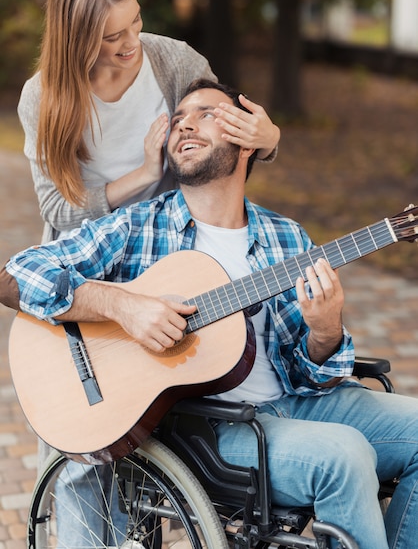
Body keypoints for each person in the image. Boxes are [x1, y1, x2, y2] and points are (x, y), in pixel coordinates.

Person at [3, 79, 418, 549]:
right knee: (344, 456)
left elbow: (308, 373)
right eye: (178, 119)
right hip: (212, 428)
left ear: (245, 140)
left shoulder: (287, 238)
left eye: (205, 114)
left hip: (297, 404)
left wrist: (325, 331)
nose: (184, 125)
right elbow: (17, 275)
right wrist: (122, 305)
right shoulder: (139, 225)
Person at [18, 0, 279, 243]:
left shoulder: (178, 64)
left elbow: (222, 154)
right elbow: (57, 209)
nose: (132, 41)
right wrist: (143, 176)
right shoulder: (41, 97)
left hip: (165, 244)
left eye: (136, 19)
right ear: (77, 39)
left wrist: (267, 142)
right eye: (113, 36)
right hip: (84, 250)